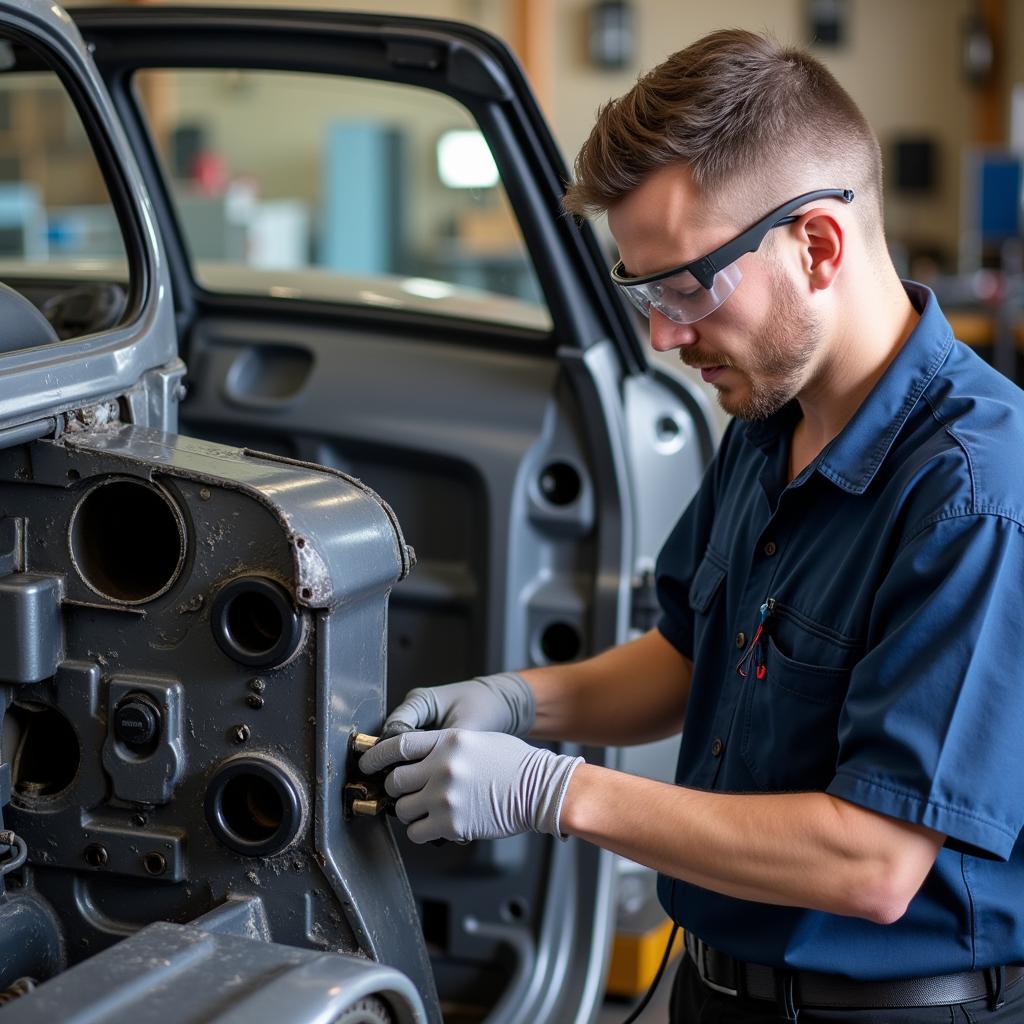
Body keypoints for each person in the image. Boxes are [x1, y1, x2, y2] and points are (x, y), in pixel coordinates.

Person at [359, 29, 1024, 1022]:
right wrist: (511, 700)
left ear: (817, 246)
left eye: (686, 285)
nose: (665, 338)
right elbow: (687, 654)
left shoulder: (974, 492)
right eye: (644, 293)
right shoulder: (768, 418)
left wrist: (553, 793)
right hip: (716, 989)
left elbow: (875, 860)